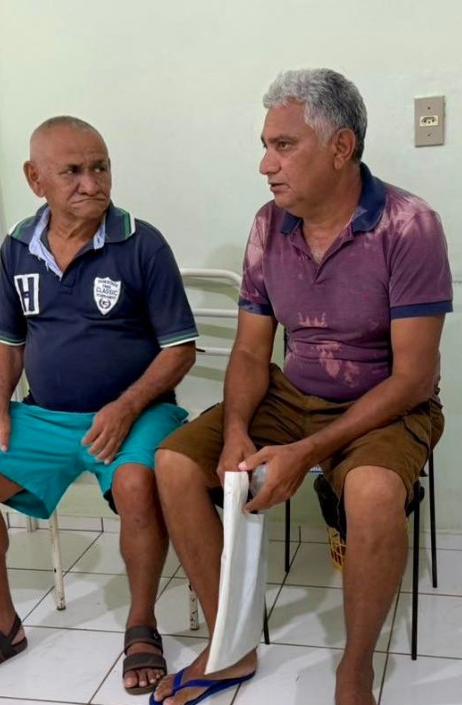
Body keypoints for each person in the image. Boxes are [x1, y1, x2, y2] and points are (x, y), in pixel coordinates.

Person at [154, 69, 452, 705]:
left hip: (385, 402)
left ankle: (355, 670)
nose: (266, 164)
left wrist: (308, 453)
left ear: (341, 147)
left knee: (373, 493)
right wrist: (236, 430)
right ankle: (230, 645)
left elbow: (415, 377)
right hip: (293, 395)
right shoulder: (270, 225)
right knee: (175, 463)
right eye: (266, 146)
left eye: (284, 146)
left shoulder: (409, 225)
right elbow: (251, 350)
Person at [0, 116, 197, 695]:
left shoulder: (142, 243)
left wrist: (125, 407)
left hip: (138, 413)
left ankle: (141, 624)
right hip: (45, 416)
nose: (92, 183)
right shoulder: (18, 247)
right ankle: (2, 625)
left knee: (135, 483)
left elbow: (180, 349)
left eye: (100, 167)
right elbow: (7, 340)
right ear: (36, 179)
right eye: (73, 171)